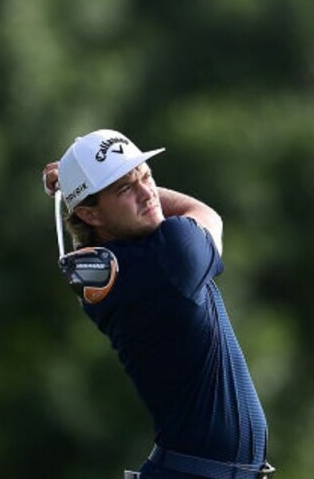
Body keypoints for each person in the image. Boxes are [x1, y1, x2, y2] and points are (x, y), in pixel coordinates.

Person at [43, 129, 274, 478]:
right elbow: (205, 212)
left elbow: (128, 212)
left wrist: (82, 187)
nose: (147, 193)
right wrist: (75, 186)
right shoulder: (173, 256)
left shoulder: (105, 268)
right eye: (125, 188)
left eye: (147, 176)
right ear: (91, 215)